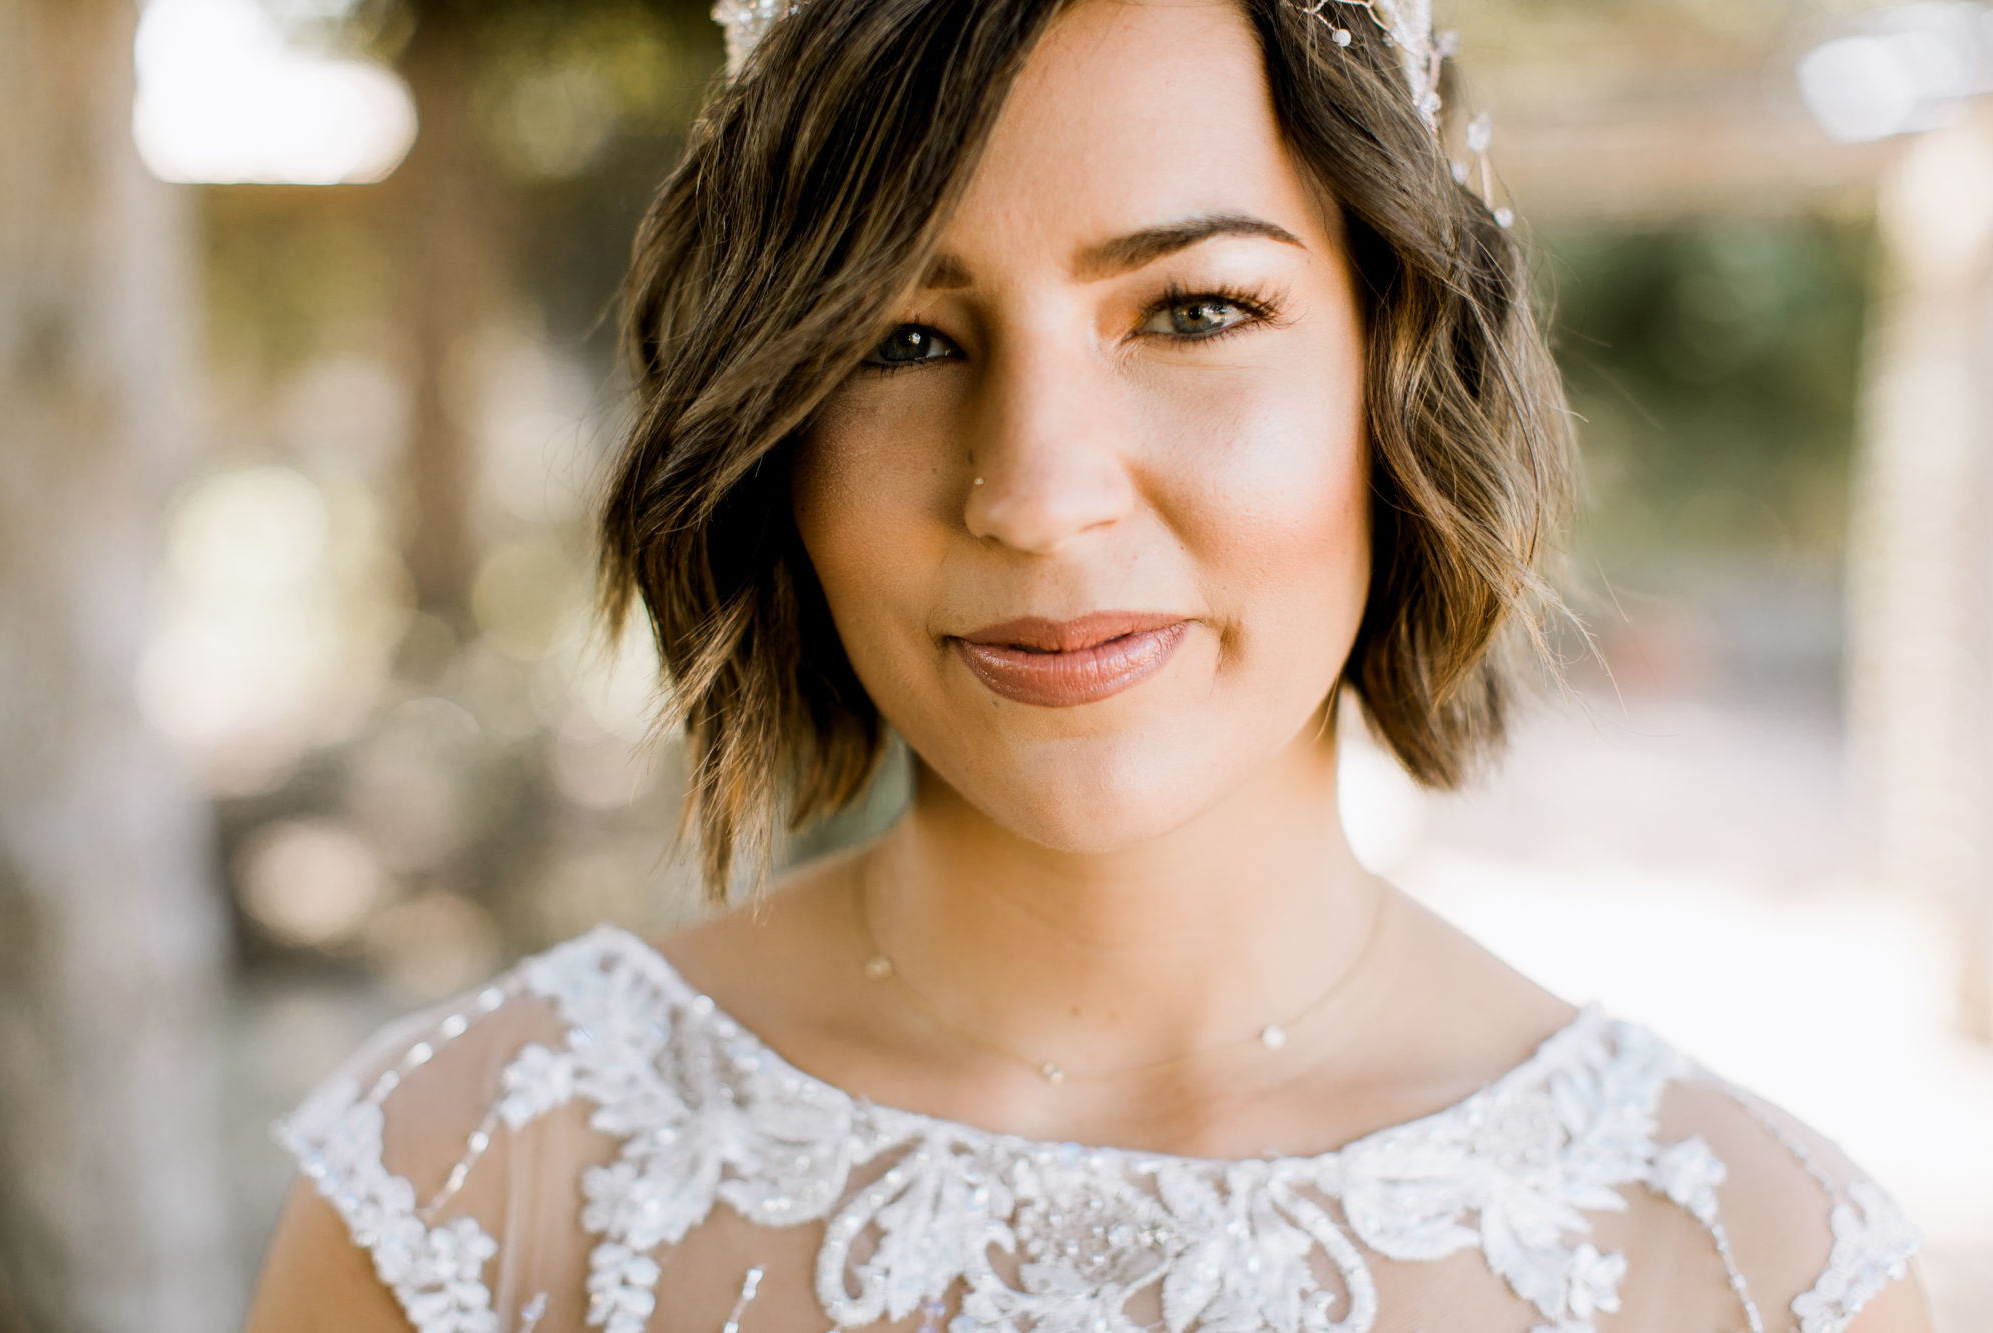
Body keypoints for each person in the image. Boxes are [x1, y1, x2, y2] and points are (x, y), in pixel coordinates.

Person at [245, 0, 1932, 1329]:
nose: (1038, 496)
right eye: (900, 340)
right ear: (775, 439)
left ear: (1403, 362)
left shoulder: (1759, 1269)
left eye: (1194, 309)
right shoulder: (469, 1193)